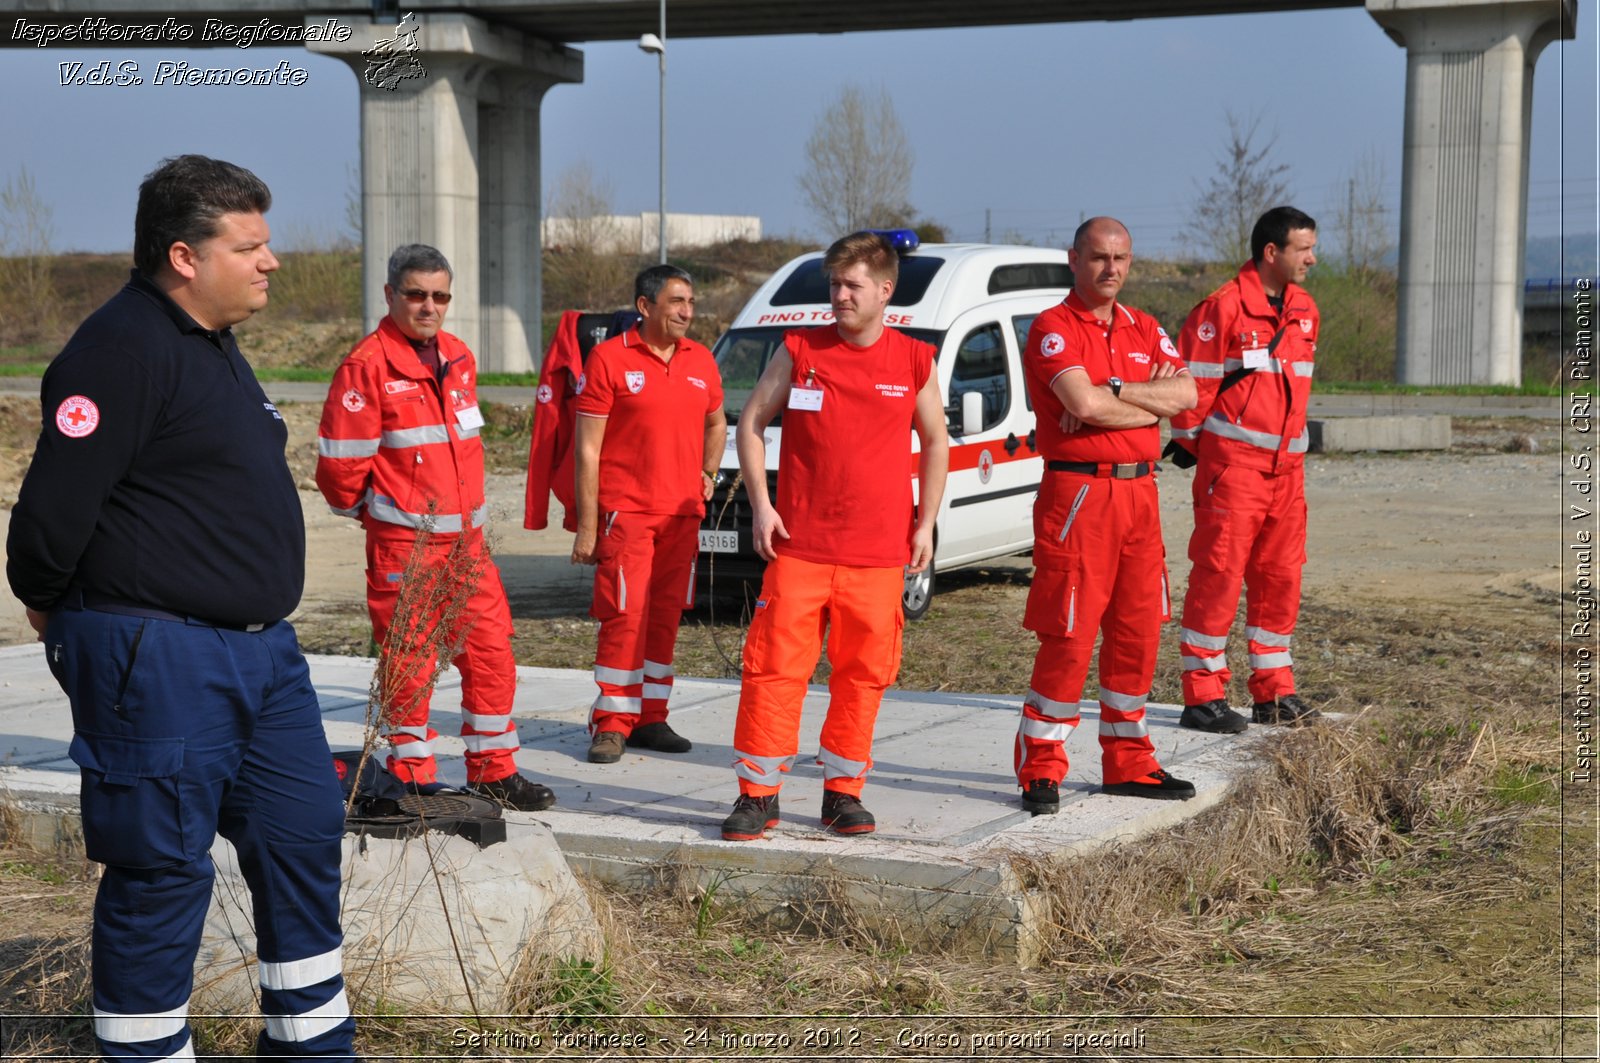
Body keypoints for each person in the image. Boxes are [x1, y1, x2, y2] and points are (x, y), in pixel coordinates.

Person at [5, 155, 356, 1061]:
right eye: (251, 246)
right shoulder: (119, 352)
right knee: (162, 868)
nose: (272, 261)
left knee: (301, 835)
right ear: (184, 256)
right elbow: (47, 523)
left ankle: (311, 1045)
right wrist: (69, 618)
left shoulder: (212, 342)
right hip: (158, 656)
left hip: (260, 656)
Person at [722, 231, 950, 840]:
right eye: (834, 285)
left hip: (878, 554)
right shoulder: (800, 348)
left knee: (863, 673)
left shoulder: (911, 360)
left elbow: (935, 443)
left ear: (884, 289)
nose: (839, 296)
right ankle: (758, 794)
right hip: (800, 546)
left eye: (852, 286)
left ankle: (843, 794)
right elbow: (750, 422)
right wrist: (762, 506)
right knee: (773, 669)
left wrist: (925, 521)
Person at [316, 244, 556, 810]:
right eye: (417, 294)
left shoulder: (457, 356)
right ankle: (412, 779)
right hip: (408, 545)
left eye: (440, 296)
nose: (429, 306)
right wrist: (375, 516)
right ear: (390, 295)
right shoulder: (366, 366)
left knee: (493, 651)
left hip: (468, 545)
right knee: (412, 662)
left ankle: (493, 771)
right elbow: (339, 467)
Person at [1014, 216, 1199, 816]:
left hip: (1141, 496)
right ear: (1074, 259)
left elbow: (1188, 395)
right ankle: (1041, 768)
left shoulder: (1145, 326)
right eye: (1098, 257)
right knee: (1069, 634)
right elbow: (1080, 402)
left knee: (1138, 630)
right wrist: (1145, 406)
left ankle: (1129, 761)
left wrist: (1116, 390)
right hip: (1080, 500)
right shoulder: (1053, 328)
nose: (1111, 269)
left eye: (1121, 258)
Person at [1168, 207, 1322, 733]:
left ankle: (1273, 692)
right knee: (1219, 578)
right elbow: (1192, 391)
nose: (1312, 258)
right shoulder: (1223, 309)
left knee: (1280, 580)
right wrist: (1196, 447)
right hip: (1233, 471)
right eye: (1304, 249)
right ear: (1272, 252)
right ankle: (1203, 695)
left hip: (1287, 473)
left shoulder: (1305, 309)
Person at [570, 265, 727, 763]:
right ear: (645, 306)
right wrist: (589, 528)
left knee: (663, 619)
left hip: (681, 516)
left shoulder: (701, 359)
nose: (687, 312)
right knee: (624, 617)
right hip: (627, 517)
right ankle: (613, 721)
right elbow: (587, 450)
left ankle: (651, 717)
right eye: (677, 302)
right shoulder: (609, 359)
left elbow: (717, 420)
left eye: (691, 303)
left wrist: (707, 472)